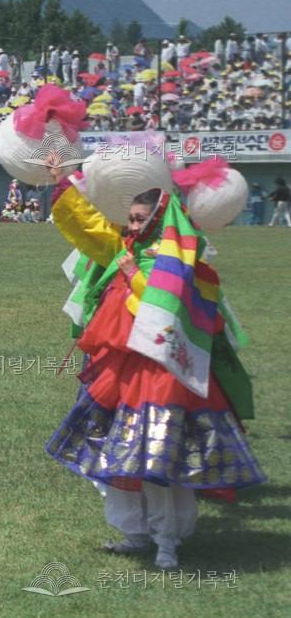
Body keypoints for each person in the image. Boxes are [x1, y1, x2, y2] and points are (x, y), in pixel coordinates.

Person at [45, 171, 265, 569]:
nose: (131, 226)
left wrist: (132, 274)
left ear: (159, 218)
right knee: (115, 450)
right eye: (129, 218)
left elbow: (168, 306)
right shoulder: (127, 247)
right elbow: (90, 227)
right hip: (122, 368)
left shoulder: (177, 260)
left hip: (161, 371)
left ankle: (167, 540)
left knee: (156, 458)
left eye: (138, 219)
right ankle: (134, 531)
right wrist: (64, 181)